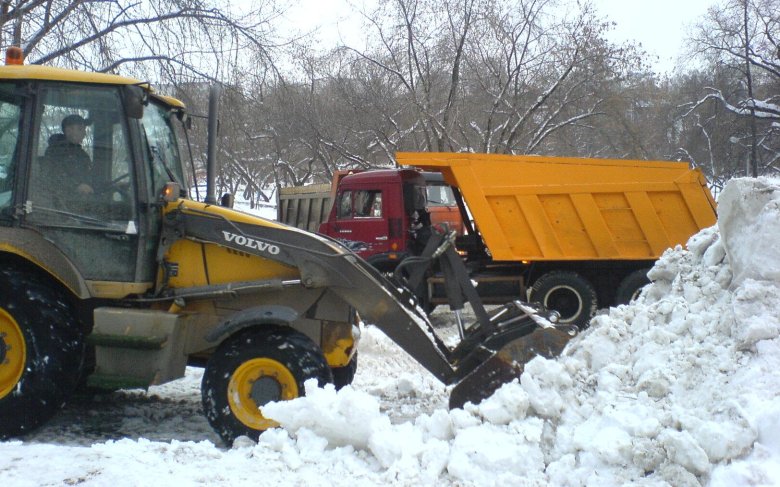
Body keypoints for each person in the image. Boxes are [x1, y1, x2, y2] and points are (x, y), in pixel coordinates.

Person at [44, 114, 94, 195]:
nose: (84, 133)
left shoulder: (82, 154)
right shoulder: (55, 151)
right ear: (68, 130)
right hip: (61, 200)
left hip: (81, 199)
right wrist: (76, 186)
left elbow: (89, 178)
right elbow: (53, 177)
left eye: (84, 129)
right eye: (81, 129)